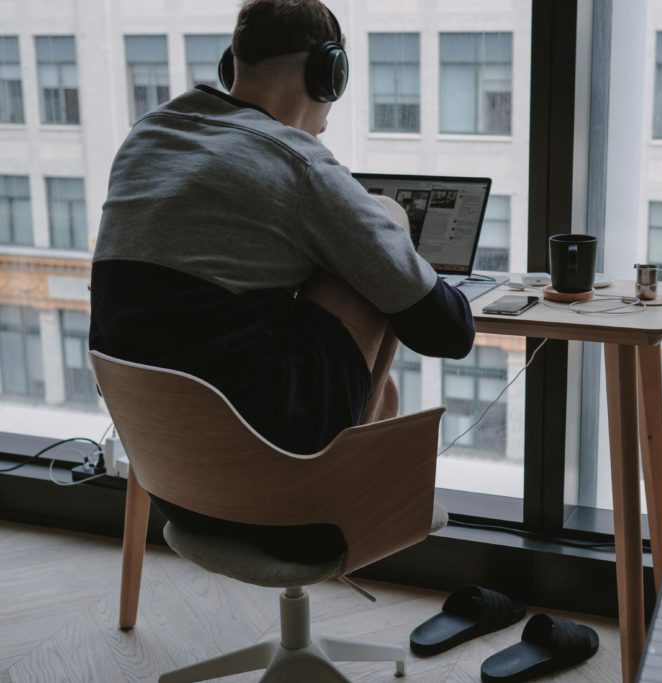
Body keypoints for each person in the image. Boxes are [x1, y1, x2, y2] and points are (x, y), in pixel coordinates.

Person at [89, 0, 475, 563]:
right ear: (329, 71)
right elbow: (448, 333)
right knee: (381, 223)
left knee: (337, 310)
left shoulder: (147, 138)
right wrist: (383, 228)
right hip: (284, 501)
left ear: (232, 66)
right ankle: (342, 480)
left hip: (174, 487)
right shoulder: (301, 166)